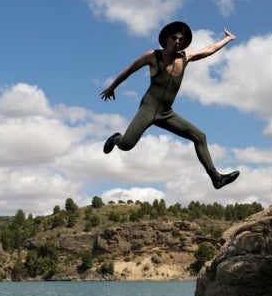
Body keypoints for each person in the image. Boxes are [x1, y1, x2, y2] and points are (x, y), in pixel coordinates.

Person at [100, 21, 240, 189]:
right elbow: (129, 70)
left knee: (200, 136)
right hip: (148, 108)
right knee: (126, 145)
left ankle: (216, 178)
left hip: (166, 113)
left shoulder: (185, 58)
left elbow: (208, 50)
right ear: (166, 39)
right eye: (174, 38)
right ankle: (116, 138)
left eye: (181, 39)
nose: (178, 41)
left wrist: (227, 39)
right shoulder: (152, 56)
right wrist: (112, 87)